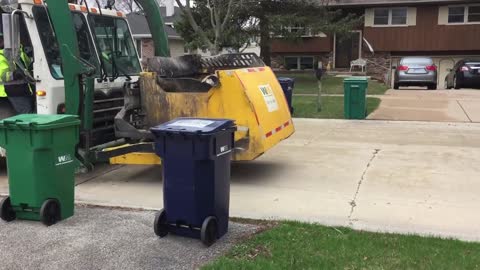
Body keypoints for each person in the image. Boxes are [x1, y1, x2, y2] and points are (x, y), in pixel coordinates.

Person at [0, 33, 33, 114]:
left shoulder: (17, 52)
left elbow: (27, 63)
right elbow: (4, 76)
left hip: (24, 88)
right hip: (13, 90)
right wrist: (15, 74)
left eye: (2, 39)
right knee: (26, 115)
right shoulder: (1, 56)